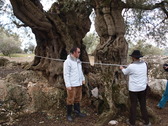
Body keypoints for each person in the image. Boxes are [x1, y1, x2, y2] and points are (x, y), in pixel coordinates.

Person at [120, 50, 151, 126]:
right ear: (139, 57)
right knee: (143, 106)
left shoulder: (131, 66)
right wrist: (128, 66)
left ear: (133, 57)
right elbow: (136, 69)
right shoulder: (144, 64)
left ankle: (132, 122)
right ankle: (147, 122)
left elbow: (125, 72)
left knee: (133, 105)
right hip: (143, 88)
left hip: (133, 89)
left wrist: (121, 68)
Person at [63, 47, 86, 121]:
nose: (79, 53)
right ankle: (69, 115)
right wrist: (68, 85)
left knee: (77, 99)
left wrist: (83, 79)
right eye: (78, 52)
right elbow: (66, 74)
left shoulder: (78, 61)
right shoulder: (67, 62)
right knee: (70, 99)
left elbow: (80, 71)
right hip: (72, 84)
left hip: (79, 83)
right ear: (74, 52)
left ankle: (77, 112)